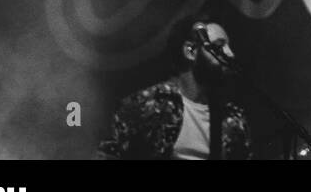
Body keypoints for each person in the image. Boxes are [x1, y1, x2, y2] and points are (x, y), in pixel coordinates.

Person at [97, 17, 252, 160]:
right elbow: (107, 153)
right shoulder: (150, 104)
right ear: (190, 51)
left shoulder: (233, 119)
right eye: (219, 46)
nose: (230, 54)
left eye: (229, 46)